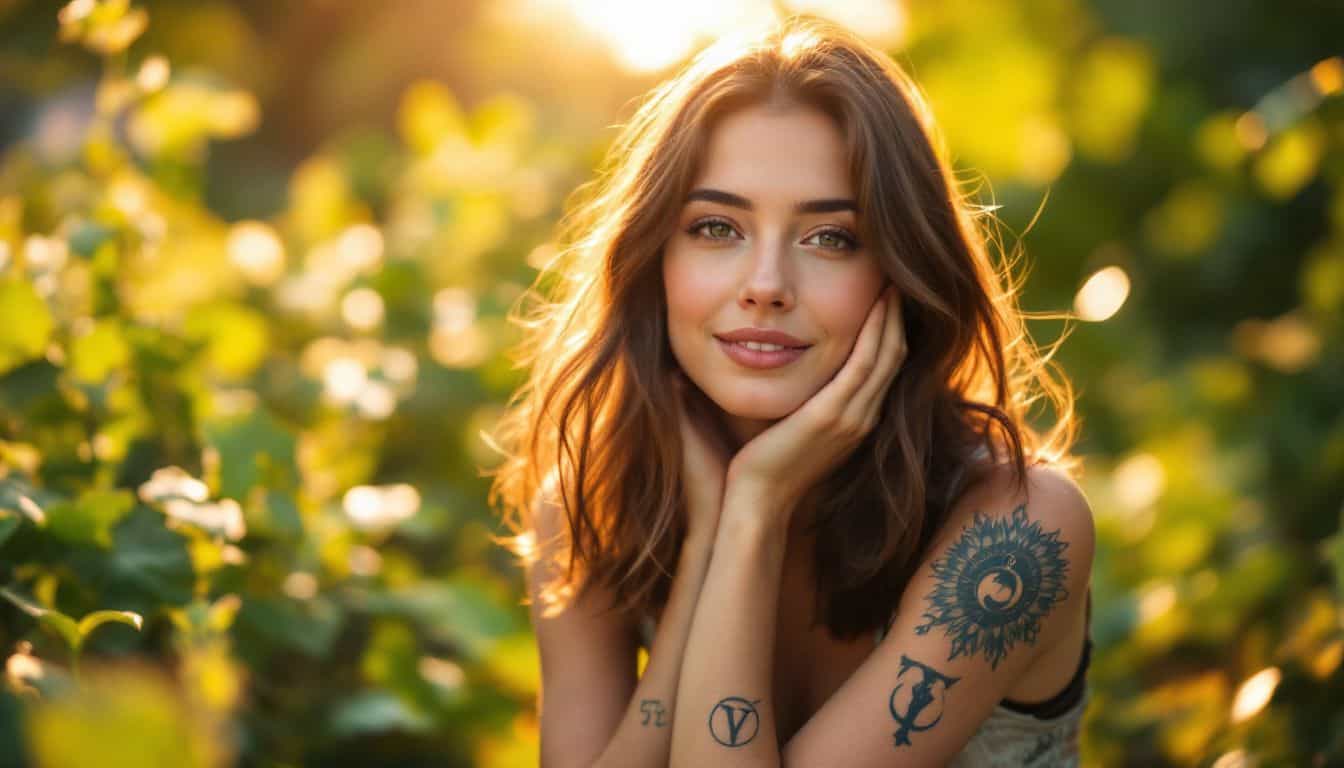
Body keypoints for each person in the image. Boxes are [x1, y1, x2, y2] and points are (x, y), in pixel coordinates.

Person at [488, 15, 1094, 768]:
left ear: (900, 271)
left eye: (831, 238)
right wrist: (708, 553)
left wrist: (751, 514)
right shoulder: (593, 502)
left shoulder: (1018, 528)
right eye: (716, 228)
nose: (767, 286)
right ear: (653, 259)